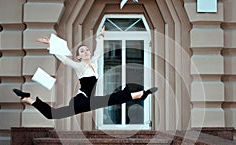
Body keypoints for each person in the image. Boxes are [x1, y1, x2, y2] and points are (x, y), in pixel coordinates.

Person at [13, 26, 157, 119]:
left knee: (54, 114)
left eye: (87, 50)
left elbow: (98, 51)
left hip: (89, 100)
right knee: (108, 99)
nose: (86, 52)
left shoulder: (93, 63)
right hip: (81, 100)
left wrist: (100, 37)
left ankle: (28, 99)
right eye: (82, 51)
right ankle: (138, 94)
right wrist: (51, 44)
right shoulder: (78, 66)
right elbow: (64, 59)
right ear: (78, 56)